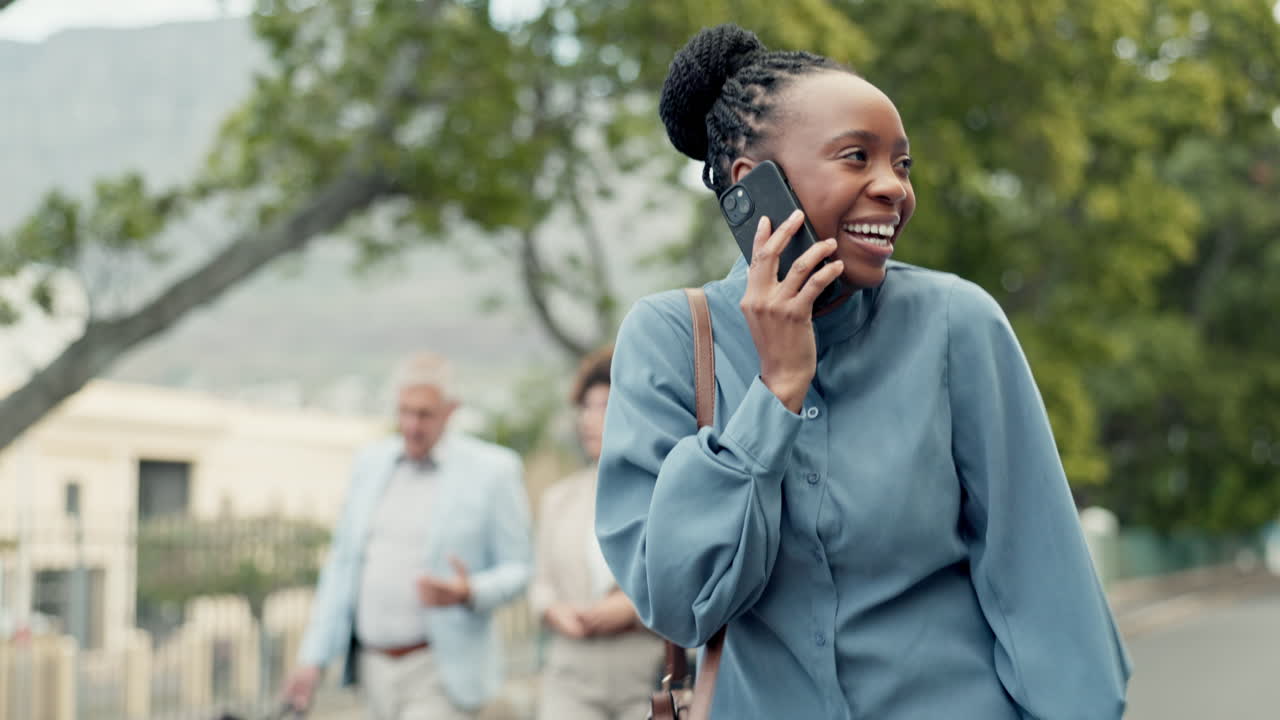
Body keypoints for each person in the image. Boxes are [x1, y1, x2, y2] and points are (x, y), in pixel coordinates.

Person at [595, 24, 1131, 720]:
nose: (893, 188)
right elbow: (680, 602)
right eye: (857, 157)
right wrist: (775, 393)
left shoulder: (957, 323)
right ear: (751, 184)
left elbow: (1044, 589)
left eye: (902, 164)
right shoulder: (670, 338)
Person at [282, 351, 532, 720]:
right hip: (373, 671)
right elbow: (342, 568)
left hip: (439, 670)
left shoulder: (494, 471)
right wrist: (312, 658)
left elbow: (520, 569)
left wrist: (470, 592)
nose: (412, 425)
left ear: (450, 410)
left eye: (425, 414)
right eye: (405, 412)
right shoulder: (369, 465)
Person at [528, 346, 665, 720]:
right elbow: (540, 583)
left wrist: (632, 608)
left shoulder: (662, 494)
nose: (589, 419)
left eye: (603, 407)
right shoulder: (559, 499)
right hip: (570, 669)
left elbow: (686, 580)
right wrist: (554, 611)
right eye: (586, 408)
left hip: (645, 671)